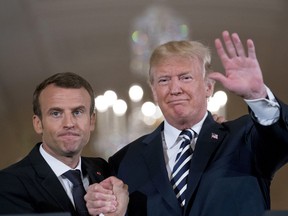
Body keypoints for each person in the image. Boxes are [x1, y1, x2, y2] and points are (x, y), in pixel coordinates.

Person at [86, 31, 288, 216]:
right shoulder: (125, 161)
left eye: (185, 77)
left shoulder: (246, 138)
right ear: (154, 91)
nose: (175, 89)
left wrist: (257, 96)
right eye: (164, 80)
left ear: (208, 87)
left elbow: (281, 138)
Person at [0, 72, 128, 216]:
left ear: (91, 121)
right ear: (38, 124)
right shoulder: (8, 184)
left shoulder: (104, 170)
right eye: (56, 113)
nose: (69, 123)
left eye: (78, 112)